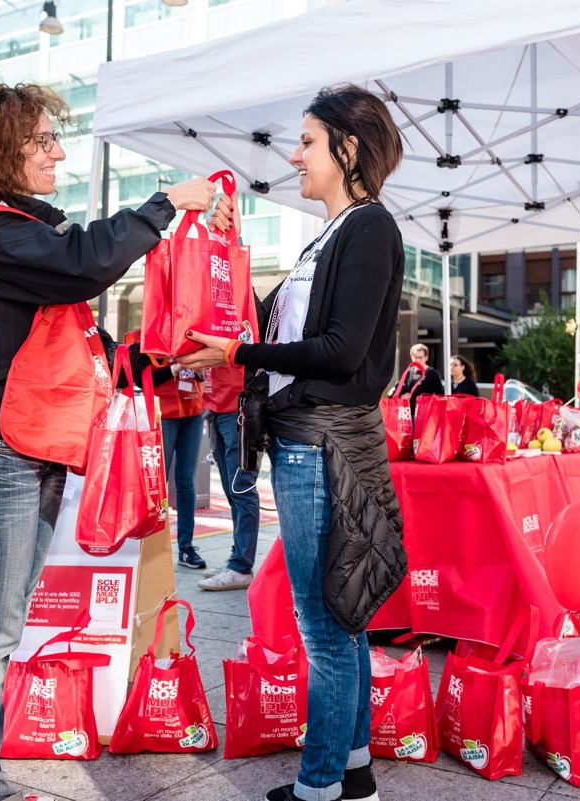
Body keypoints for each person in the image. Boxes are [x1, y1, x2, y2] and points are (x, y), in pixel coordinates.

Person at [0, 82, 226, 801]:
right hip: (4, 451)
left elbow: (74, 332)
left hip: (25, 445)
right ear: (2, 151)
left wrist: (155, 360)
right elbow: (83, 263)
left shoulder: (5, 234)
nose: (58, 152)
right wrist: (163, 206)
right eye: (43, 141)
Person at [179, 84, 407, 801]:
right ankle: (355, 771)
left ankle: (319, 788)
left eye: (308, 141)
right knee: (343, 612)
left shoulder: (369, 229)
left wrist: (240, 358)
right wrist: (229, 245)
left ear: (347, 146)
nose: (295, 155)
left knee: (322, 622)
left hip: (323, 444)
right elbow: (272, 329)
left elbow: (339, 351)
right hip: (309, 442)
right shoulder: (331, 234)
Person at [197, 365, 261, 591]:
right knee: (232, 491)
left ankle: (241, 567)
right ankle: (237, 560)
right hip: (216, 407)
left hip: (238, 408)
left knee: (241, 489)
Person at [153, 359, 207, 569]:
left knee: (186, 482)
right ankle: (153, 547)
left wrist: (200, 369)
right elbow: (142, 378)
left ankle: (186, 547)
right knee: (158, 484)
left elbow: (202, 374)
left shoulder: (190, 335)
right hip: (164, 414)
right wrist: (174, 369)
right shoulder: (144, 339)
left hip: (193, 411)